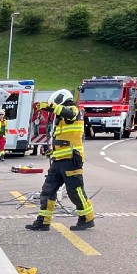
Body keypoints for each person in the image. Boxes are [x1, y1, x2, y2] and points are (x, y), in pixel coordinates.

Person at [26, 89, 94, 231]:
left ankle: (87, 218)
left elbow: (68, 113)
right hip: (58, 160)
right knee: (47, 190)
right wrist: (53, 150)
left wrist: (48, 106)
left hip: (71, 160)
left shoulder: (73, 111)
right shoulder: (61, 119)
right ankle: (43, 221)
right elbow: (64, 139)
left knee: (75, 191)